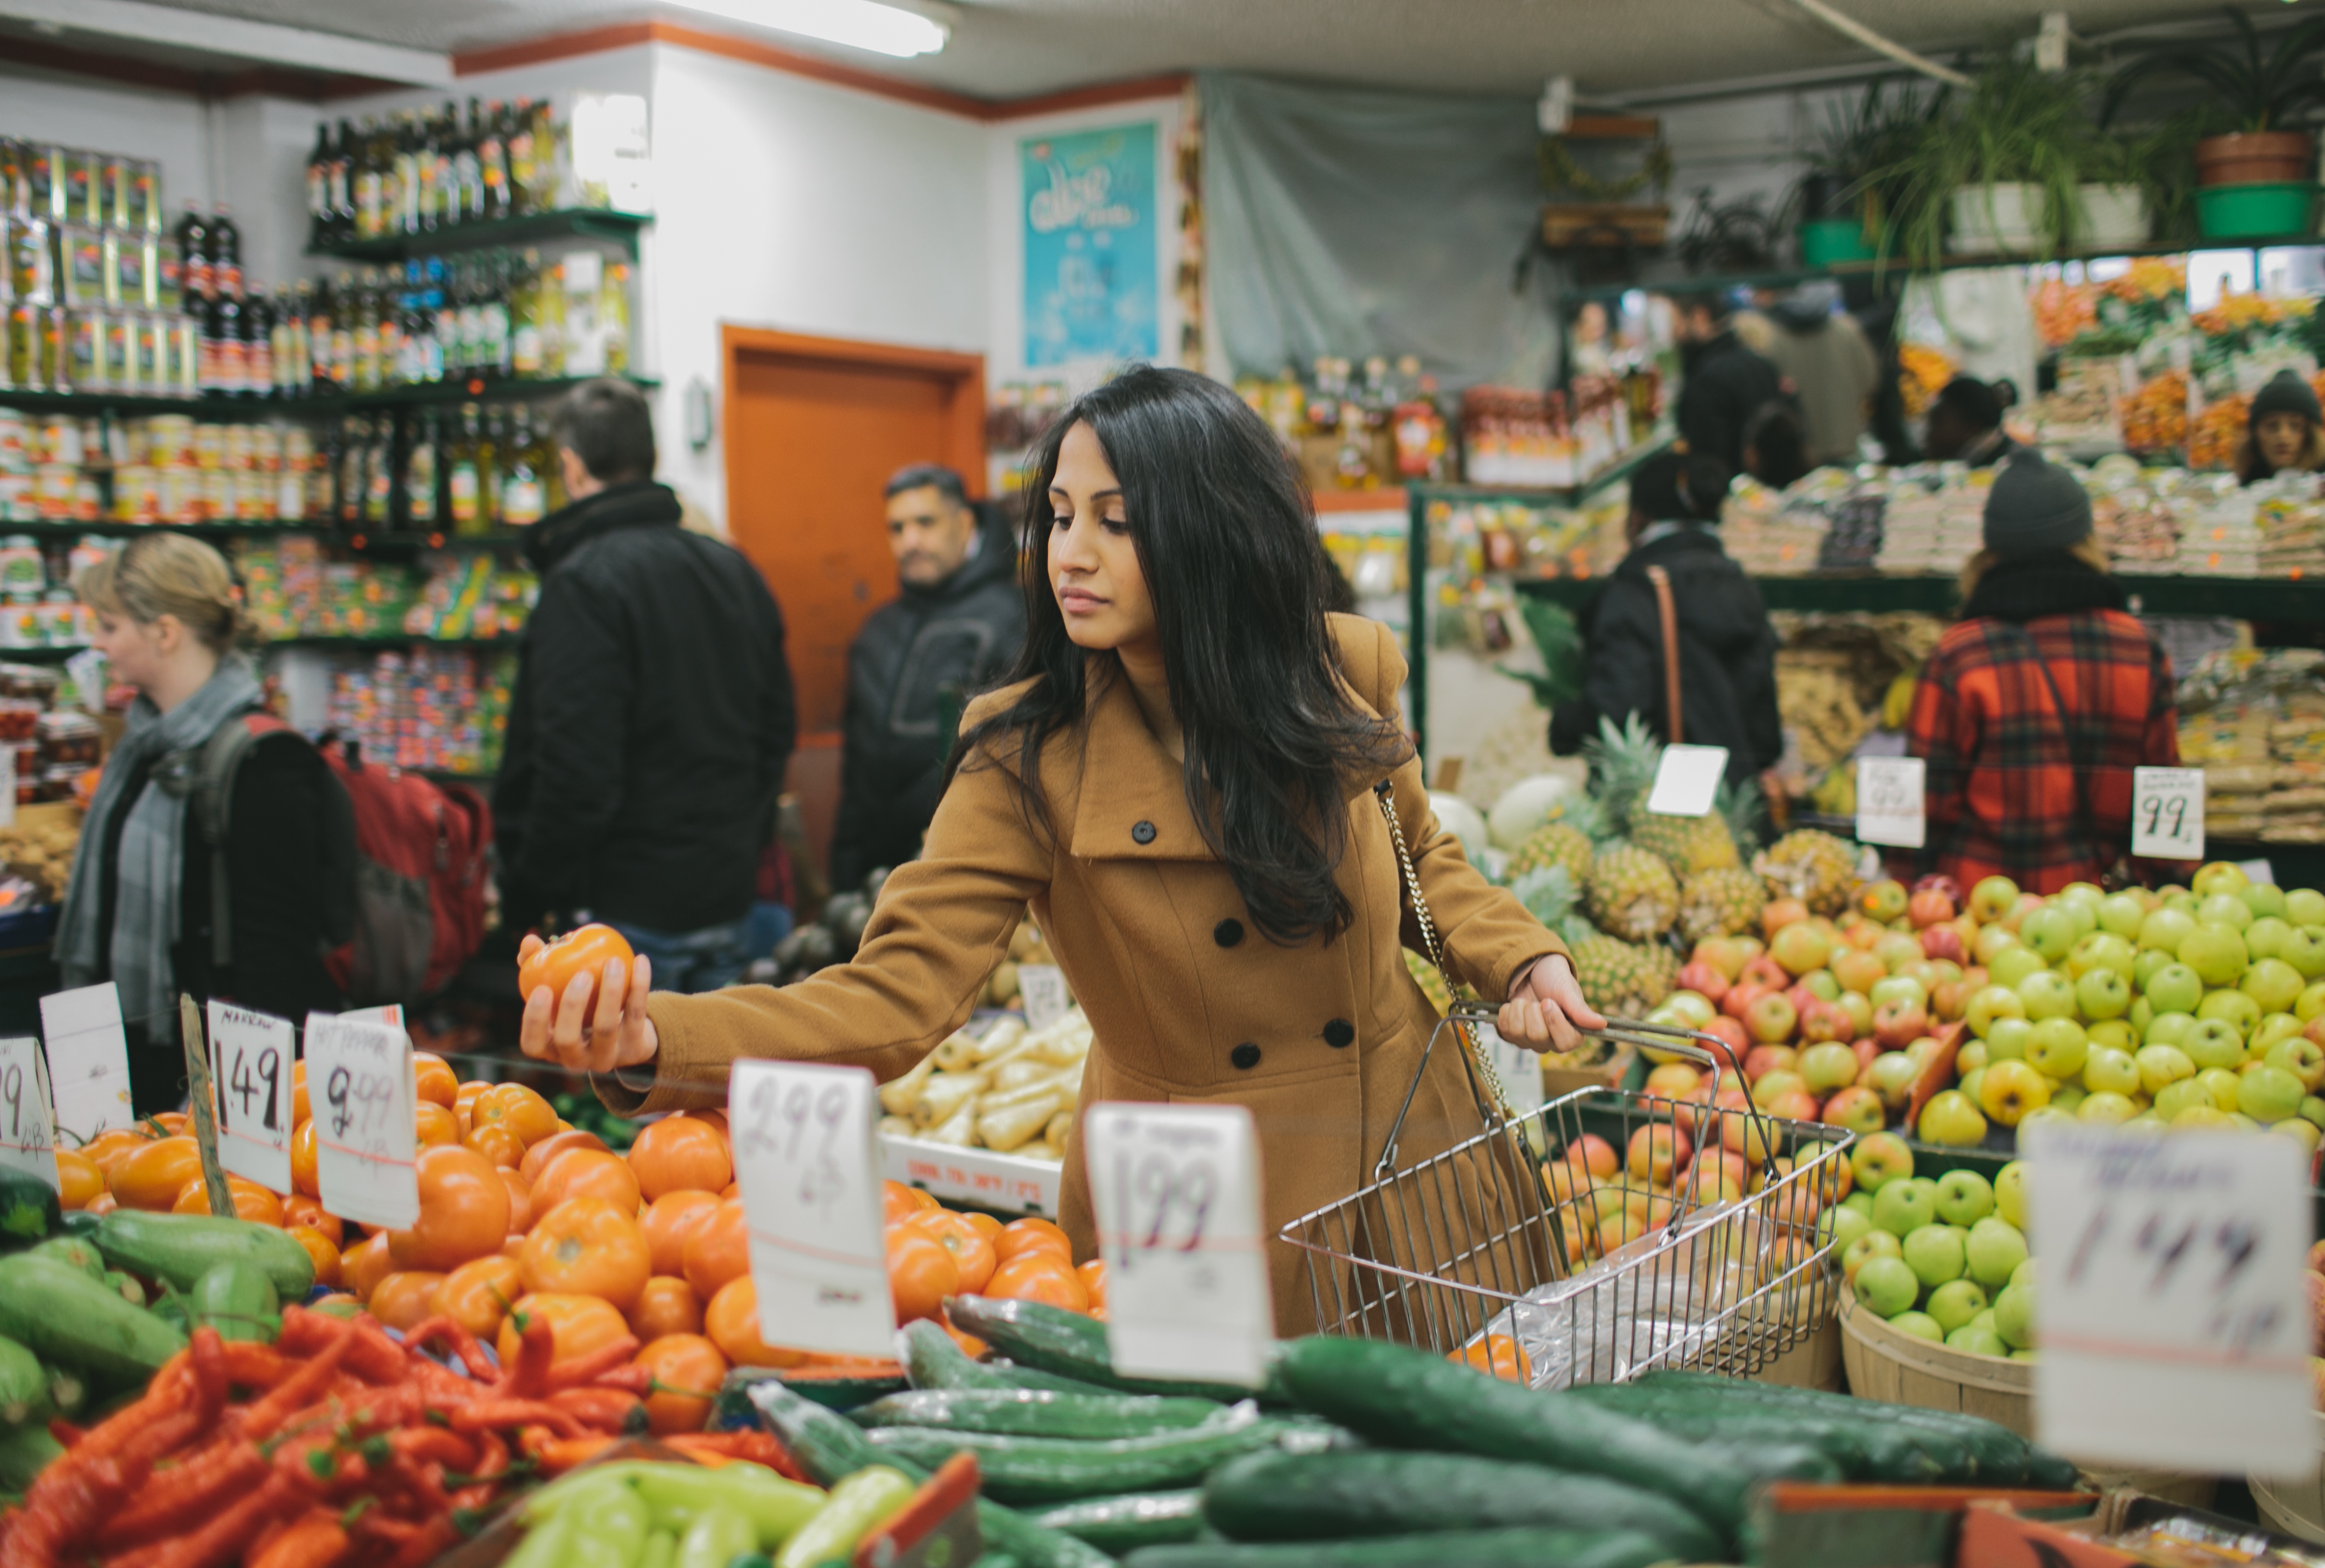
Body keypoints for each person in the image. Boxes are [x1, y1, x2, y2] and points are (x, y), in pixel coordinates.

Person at [517, 366, 1598, 1336]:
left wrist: (1519, 957)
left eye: (1116, 522)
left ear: (1213, 529)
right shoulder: (1026, 755)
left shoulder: (1340, 672)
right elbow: (895, 999)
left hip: (1420, 1159)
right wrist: (656, 1038)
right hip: (1208, 1206)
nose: (1067, 554)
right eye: (1060, 515)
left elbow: (1418, 856)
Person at [494, 379, 796, 994]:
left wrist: (530, 890)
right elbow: (775, 730)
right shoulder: (730, 568)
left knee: (631, 1085)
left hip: (623, 912)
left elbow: (575, 770)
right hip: (726, 894)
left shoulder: (582, 583)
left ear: (572, 468)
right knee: (710, 1086)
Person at [57, 534, 348, 1111]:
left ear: (164, 632)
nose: (98, 643)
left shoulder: (266, 761)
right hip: (136, 1063)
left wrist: (236, 1098)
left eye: (110, 626)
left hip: (212, 1078)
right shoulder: (143, 744)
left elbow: (277, 954)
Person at [1902, 453, 2177, 894]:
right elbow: (2165, 798)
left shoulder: (1960, 656)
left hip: (1980, 924)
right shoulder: (2139, 650)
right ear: (2086, 540)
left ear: (1990, 551)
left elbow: (1919, 808)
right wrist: (2166, 891)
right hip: (2100, 921)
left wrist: (1903, 896)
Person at [828, 464, 1025, 892]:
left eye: (925, 522)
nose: (909, 542)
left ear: (965, 522)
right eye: (896, 528)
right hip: (877, 878)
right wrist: (845, 875)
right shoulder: (877, 631)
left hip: (968, 875)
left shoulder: (1015, 619)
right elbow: (856, 771)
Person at [1549, 452, 1784, 790]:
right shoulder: (1742, 585)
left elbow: (1619, 708)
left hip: (1665, 800)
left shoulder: (1637, 591)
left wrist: (1565, 725)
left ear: (1638, 519)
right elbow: (1766, 734)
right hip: (1736, 796)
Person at [1760, 280, 1881, 465]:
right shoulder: (1847, 331)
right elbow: (1871, 380)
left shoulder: (1771, 340)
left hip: (1801, 454)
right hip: (1846, 442)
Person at [1672, 290, 1788, 477]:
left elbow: (1709, 465)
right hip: (1773, 489)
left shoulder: (1705, 380)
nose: (1674, 334)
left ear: (1700, 317)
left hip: (1739, 498)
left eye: (1676, 322)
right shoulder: (1760, 363)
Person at [2235, 371, 2325, 483]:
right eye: (2272, 425)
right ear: (2255, 433)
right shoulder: (2245, 490)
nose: (2283, 435)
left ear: (2311, 434)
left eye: (2295, 426)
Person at [1923, 376, 2019, 466]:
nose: (1929, 434)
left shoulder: (2003, 467)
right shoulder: (1989, 455)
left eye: (1938, 423)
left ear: (1972, 427)